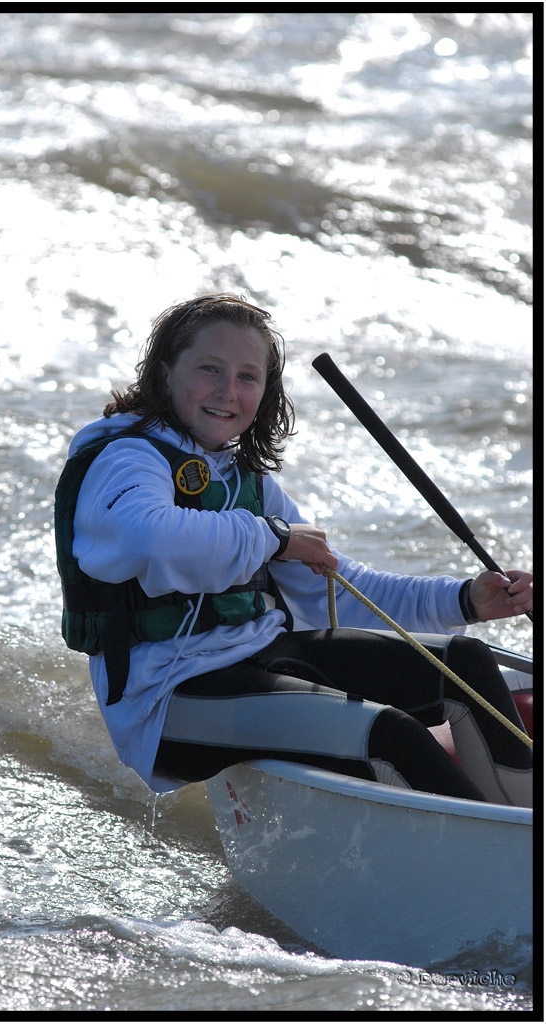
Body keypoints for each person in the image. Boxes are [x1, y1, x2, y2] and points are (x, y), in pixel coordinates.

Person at [55, 293, 533, 807]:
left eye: (247, 377)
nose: (226, 391)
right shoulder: (126, 458)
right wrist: (275, 538)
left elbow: (348, 588)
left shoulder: (247, 482)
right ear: (165, 372)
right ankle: (490, 858)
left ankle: (526, 827)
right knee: (390, 735)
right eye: (209, 369)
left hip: (265, 660)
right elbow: (150, 537)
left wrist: (465, 600)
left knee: (465, 662)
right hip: (169, 700)